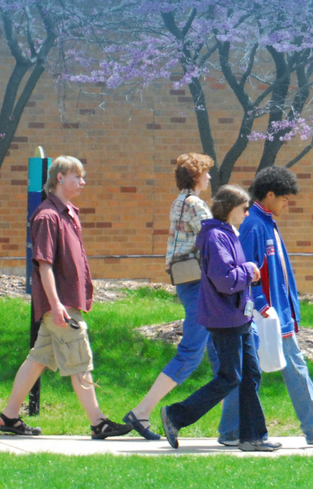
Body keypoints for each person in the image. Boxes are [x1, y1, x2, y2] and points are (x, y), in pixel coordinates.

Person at [0, 156, 132, 439]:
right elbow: (43, 264)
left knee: (38, 359)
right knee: (80, 360)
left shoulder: (68, 212)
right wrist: (56, 305)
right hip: (61, 305)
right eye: (77, 177)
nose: (83, 182)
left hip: (65, 302)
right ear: (59, 178)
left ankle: (9, 417)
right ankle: (99, 423)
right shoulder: (47, 216)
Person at [223, 166, 313, 445]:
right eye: (285, 199)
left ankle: (231, 430)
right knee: (294, 366)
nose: (287, 205)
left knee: (246, 371)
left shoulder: (266, 222)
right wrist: (262, 305)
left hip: (274, 311)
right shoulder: (255, 225)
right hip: (269, 314)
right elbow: (248, 270)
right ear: (270, 195)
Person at [161, 185, 279, 452]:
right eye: (244, 208)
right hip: (224, 318)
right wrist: (249, 270)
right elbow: (224, 279)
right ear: (229, 208)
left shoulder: (227, 233)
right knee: (230, 377)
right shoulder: (216, 237)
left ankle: (253, 437)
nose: (247, 213)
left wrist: (247, 275)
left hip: (238, 316)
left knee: (250, 375)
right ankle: (176, 416)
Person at [124, 153, 223, 441]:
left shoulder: (179, 202)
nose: (209, 177)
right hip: (199, 285)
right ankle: (141, 411)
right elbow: (214, 239)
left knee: (223, 357)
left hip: (187, 281)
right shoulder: (194, 204)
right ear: (196, 176)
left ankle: (235, 425)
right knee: (191, 354)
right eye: (206, 172)